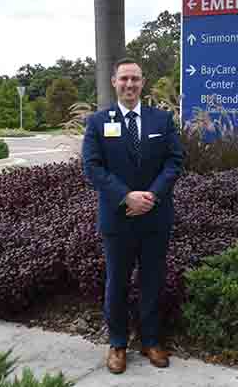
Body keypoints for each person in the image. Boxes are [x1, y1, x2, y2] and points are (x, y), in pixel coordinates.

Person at [82, 57, 184, 374]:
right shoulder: (98, 123)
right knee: (117, 283)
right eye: (124, 78)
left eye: (135, 79)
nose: (129, 84)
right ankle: (117, 344)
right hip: (118, 217)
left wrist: (151, 195)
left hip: (155, 216)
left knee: (152, 280)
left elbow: (174, 161)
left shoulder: (162, 120)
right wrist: (126, 196)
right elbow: (92, 167)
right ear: (114, 81)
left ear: (142, 83)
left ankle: (151, 340)